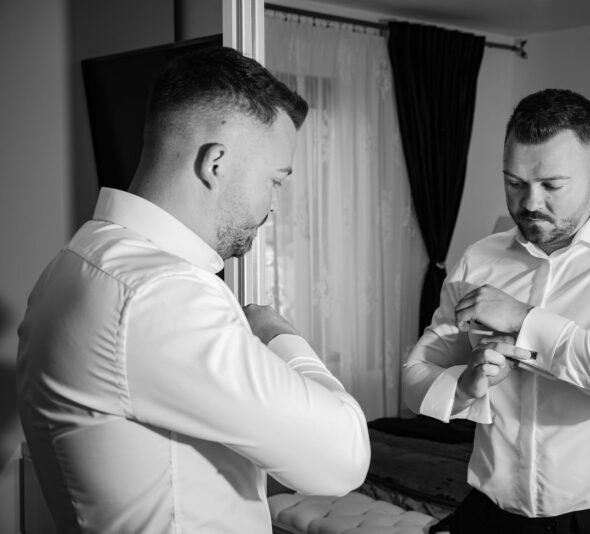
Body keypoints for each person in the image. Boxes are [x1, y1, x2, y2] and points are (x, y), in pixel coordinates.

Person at [16, 47, 370, 533]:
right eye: (275, 181)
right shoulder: (160, 294)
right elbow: (343, 458)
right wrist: (278, 335)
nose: (274, 206)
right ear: (215, 163)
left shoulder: (76, 261)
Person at [403, 88, 590, 533]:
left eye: (551, 185)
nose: (530, 203)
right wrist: (463, 386)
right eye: (514, 183)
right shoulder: (478, 260)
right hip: (489, 514)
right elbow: (415, 373)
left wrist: (524, 321)